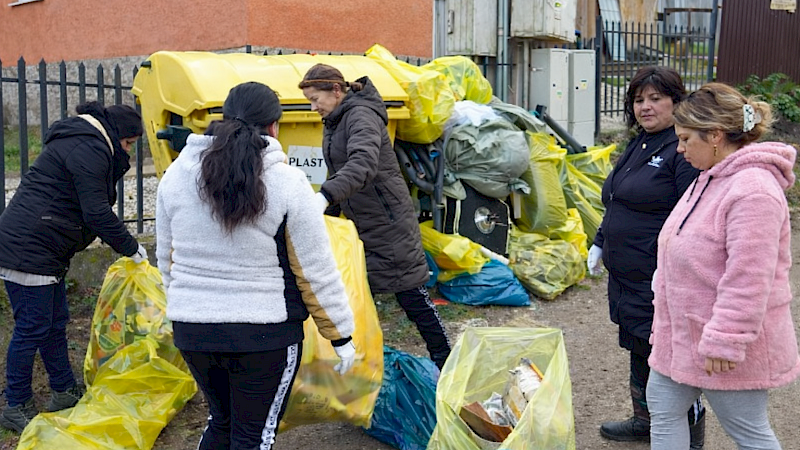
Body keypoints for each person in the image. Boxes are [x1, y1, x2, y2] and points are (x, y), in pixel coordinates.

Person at [155, 81, 356, 450]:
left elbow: (166, 258)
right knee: (253, 435)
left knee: (221, 422)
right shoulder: (288, 182)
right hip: (264, 336)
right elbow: (314, 270)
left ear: (222, 118)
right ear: (274, 127)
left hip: (193, 331)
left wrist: (187, 305)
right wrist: (340, 335)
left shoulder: (176, 177)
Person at [648, 82, 800, 449]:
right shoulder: (709, 177)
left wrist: (725, 341)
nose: (679, 148)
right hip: (682, 335)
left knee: (748, 432)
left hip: (724, 345)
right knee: (663, 410)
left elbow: (749, 278)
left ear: (715, 135)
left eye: (685, 139)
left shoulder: (753, 190)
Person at [0, 102, 147, 432]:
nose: (128, 153)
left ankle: (63, 391)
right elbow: (96, 211)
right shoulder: (90, 148)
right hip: (30, 247)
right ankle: (16, 403)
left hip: (44, 247)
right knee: (32, 328)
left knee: (54, 324)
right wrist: (132, 248)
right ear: (117, 135)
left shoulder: (85, 142)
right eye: (129, 144)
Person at [299, 63, 451, 369]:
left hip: (388, 221)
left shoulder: (360, 116)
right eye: (310, 101)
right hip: (360, 222)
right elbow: (340, 168)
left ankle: (445, 358)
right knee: (354, 293)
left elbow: (362, 165)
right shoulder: (336, 118)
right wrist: (328, 214)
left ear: (337, 90)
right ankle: (362, 362)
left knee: (411, 293)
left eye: (316, 99)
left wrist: (325, 196)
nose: (313, 107)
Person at [587, 66, 705, 446]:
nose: (645, 107)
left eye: (656, 98)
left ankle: (690, 435)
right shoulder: (640, 143)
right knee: (639, 346)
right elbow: (617, 199)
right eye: (639, 100)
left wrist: (678, 269)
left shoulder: (682, 149)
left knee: (671, 359)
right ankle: (645, 419)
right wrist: (602, 240)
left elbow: (693, 215)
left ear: (676, 102)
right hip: (627, 276)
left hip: (659, 278)